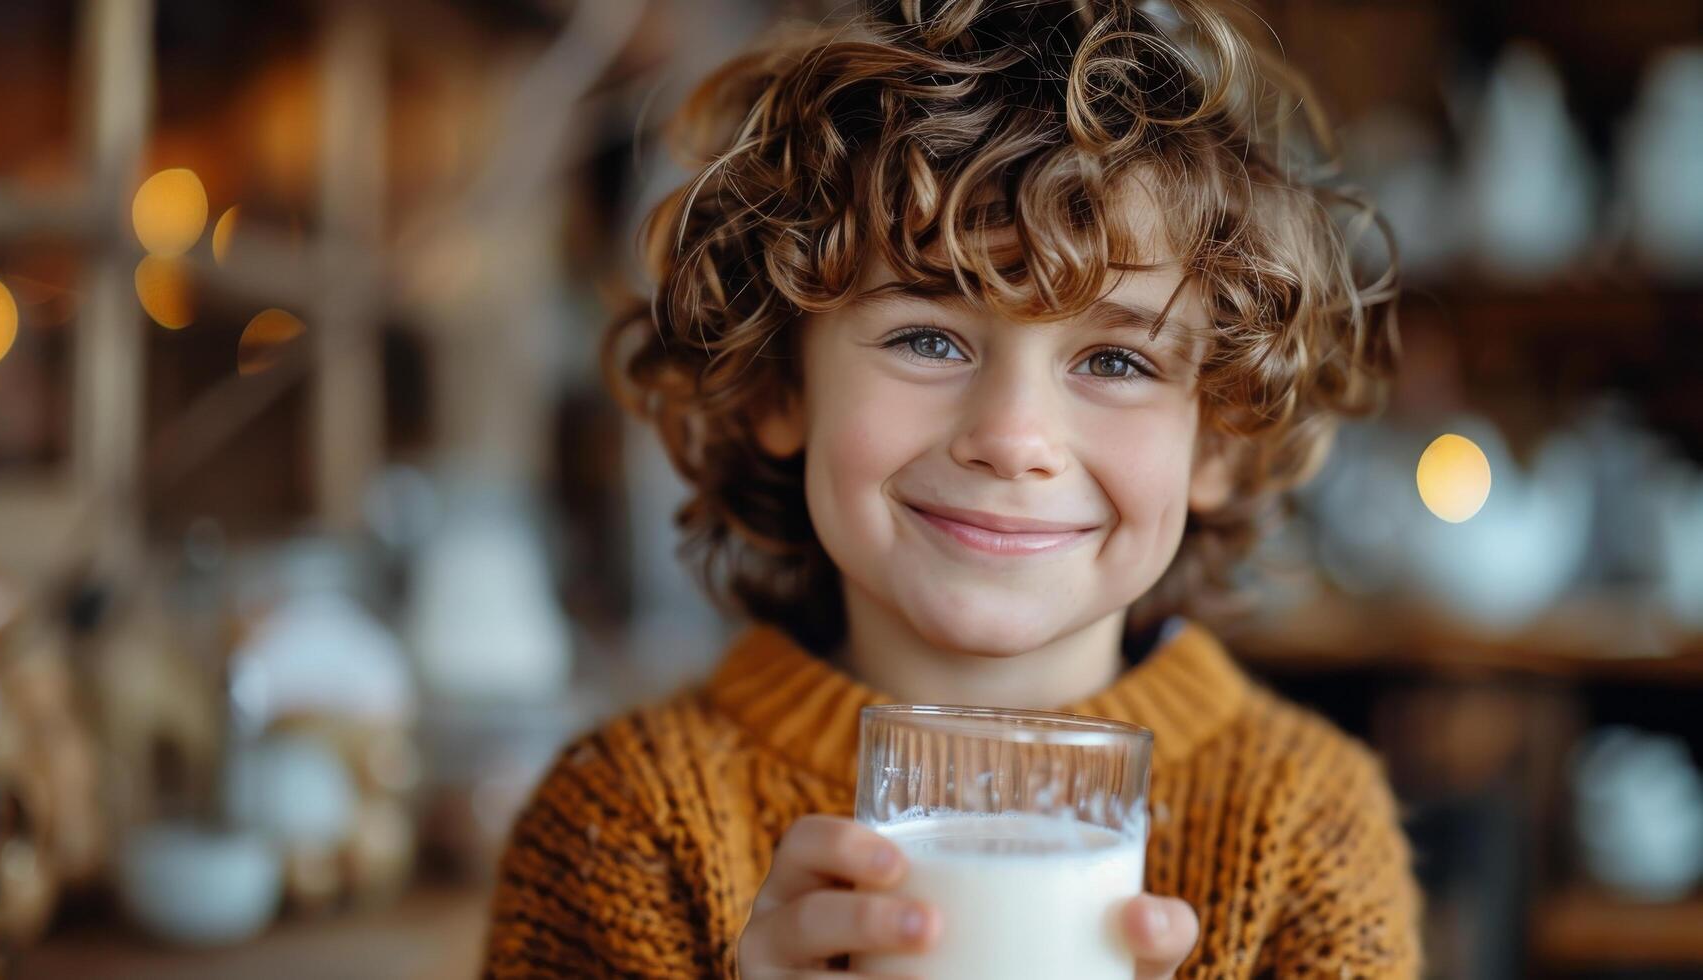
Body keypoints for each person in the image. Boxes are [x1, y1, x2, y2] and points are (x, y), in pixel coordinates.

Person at [484, 0, 1420, 976]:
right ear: (778, 385)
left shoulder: (1309, 825)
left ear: (1219, 437)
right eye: (927, 339)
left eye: (1114, 361)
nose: (1013, 439)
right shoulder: (622, 826)